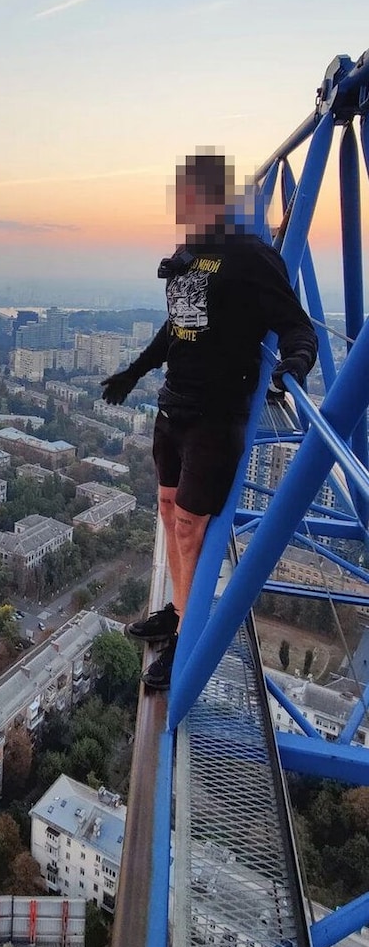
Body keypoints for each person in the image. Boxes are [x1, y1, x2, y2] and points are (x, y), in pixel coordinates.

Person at [101, 151, 317, 690]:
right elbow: (176, 328)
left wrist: (294, 367)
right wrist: (135, 371)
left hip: (216, 419)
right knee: (169, 508)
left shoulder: (249, 257)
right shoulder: (188, 253)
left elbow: (297, 326)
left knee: (190, 528)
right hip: (173, 408)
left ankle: (188, 638)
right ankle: (177, 612)